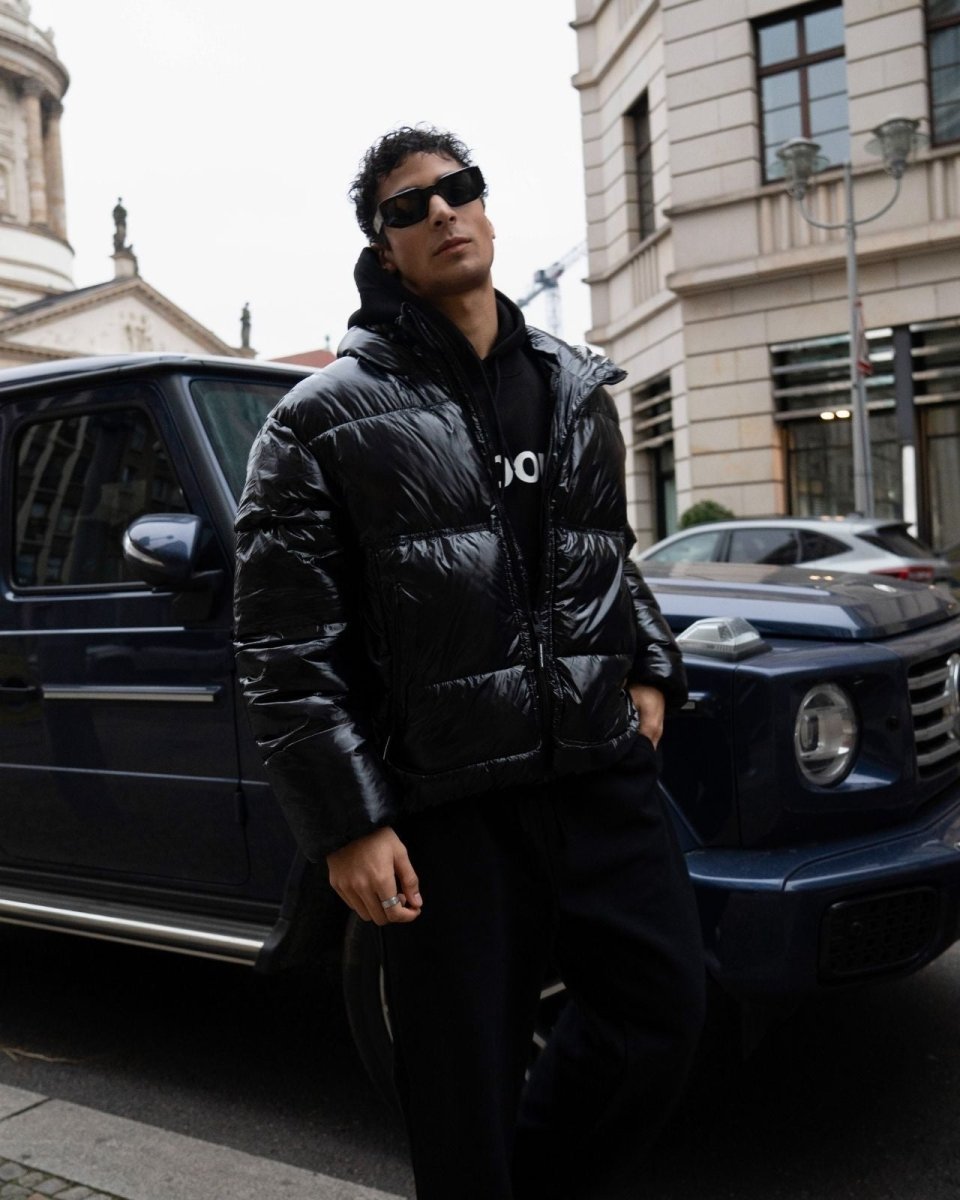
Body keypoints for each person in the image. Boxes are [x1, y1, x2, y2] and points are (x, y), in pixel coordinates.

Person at [234, 125, 705, 1200]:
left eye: (459, 191)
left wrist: (649, 665)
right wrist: (348, 821)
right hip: (448, 805)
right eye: (410, 207)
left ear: (486, 210)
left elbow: (605, 553)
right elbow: (283, 642)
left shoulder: (579, 387)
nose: (442, 212)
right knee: (460, 1091)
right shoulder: (319, 421)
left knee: (662, 1015)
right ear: (382, 248)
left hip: (596, 772)